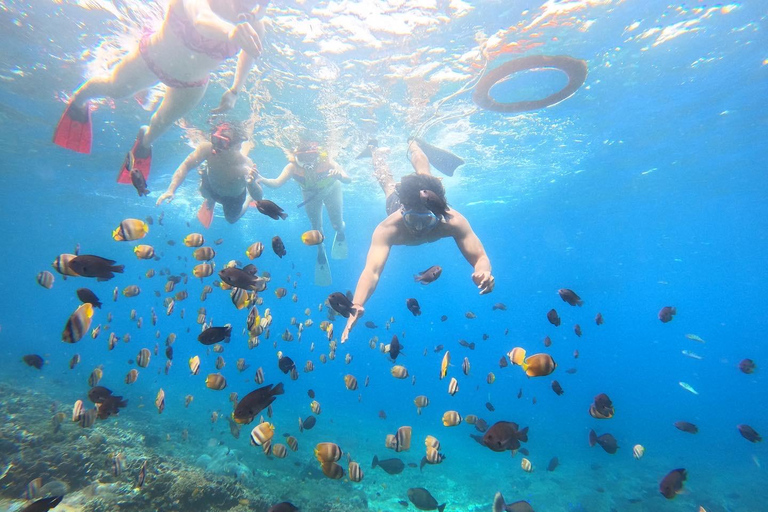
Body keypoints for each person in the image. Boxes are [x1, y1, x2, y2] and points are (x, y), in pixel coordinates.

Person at [53, 0, 268, 186]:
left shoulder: (256, 24)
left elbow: (251, 52)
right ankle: (80, 99)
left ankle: (143, 141)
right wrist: (232, 32)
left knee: (157, 130)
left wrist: (235, 89)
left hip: (192, 84)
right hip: (151, 60)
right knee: (115, 90)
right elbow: (202, 20)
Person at [340, 138, 494, 344]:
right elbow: (371, 271)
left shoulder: (452, 221)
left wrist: (484, 271)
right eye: (413, 220)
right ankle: (375, 151)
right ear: (403, 211)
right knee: (387, 183)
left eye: (427, 220)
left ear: (438, 213)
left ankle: (413, 144)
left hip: (428, 198)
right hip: (397, 200)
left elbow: (480, 257)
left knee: (425, 175)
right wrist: (356, 304)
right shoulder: (389, 228)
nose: (419, 228)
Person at [258, 140, 351, 286]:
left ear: (317, 154)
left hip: (332, 189)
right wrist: (261, 179)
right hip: (309, 195)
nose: (308, 162)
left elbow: (348, 179)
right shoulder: (292, 167)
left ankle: (340, 231)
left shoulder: (327, 161)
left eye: (311, 157)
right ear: (296, 157)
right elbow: (276, 183)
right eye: (303, 158)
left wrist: (339, 175)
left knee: (336, 224)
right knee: (316, 227)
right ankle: (321, 249)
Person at [156, 121, 263, 226]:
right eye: (214, 139)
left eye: (223, 142)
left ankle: (248, 199)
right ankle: (210, 195)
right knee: (203, 192)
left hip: (232, 198)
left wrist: (252, 184)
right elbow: (186, 165)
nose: (216, 147)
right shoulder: (207, 149)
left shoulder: (244, 165)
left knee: (231, 219)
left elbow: (258, 197)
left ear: (237, 146)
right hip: (212, 188)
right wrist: (171, 189)